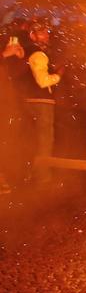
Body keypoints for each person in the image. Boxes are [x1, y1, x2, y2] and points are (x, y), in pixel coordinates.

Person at [23, 22, 61, 184]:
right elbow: (43, 81)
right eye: (42, 33)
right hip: (41, 102)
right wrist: (59, 75)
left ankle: (31, 173)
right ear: (32, 36)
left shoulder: (32, 52)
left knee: (36, 138)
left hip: (33, 101)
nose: (47, 36)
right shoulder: (38, 54)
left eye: (47, 32)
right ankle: (42, 177)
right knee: (45, 139)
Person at [1, 33, 27, 193]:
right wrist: (4, 54)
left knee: (5, 139)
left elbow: (15, 76)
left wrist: (19, 58)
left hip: (5, 102)